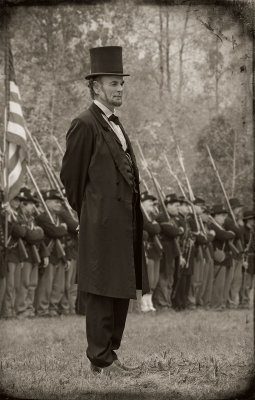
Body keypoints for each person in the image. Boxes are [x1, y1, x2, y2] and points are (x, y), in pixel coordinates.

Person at [60, 46, 149, 375]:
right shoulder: (84, 124)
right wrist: (90, 215)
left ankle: (109, 354)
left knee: (120, 288)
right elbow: (70, 178)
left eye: (122, 83)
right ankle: (100, 357)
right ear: (96, 86)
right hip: (100, 224)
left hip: (123, 226)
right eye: (113, 83)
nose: (120, 89)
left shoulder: (115, 124)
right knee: (100, 290)